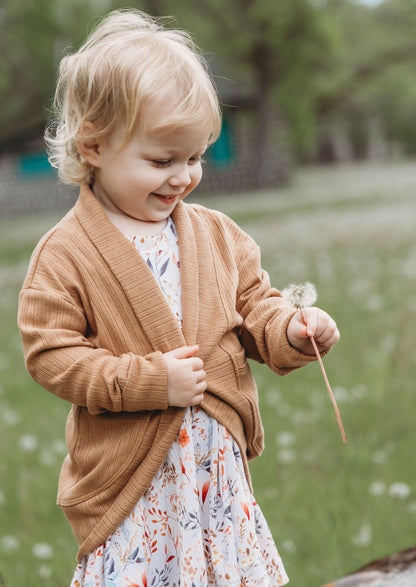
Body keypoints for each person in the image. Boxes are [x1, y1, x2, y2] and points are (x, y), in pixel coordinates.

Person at [18, 9, 340, 586]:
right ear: (92, 145)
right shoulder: (66, 252)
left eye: (195, 158)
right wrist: (147, 382)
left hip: (216, 482)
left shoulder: (217, 235)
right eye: (162, 161)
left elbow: (255, 310)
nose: (183, 177)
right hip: (135, 492)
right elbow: (51, 354)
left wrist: (291, 331)